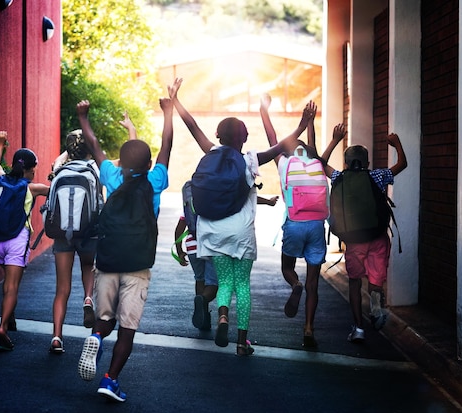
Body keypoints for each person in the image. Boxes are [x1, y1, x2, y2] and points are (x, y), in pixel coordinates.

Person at [170, 77, 312, 356]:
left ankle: (221, 315)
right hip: (241, 234)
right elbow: (282, 146)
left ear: (219, 136)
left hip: (212, 231)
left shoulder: (210, 151)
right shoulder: (250, 160)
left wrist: (176, 101)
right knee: (241, 285)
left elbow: (193, 126)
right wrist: (302, 125)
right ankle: (241, 342)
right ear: (244, 138)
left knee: (223, 282)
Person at [75, 96, 174, 402]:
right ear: (147, 165)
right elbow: (165, 147)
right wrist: (168, 113)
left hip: (108, 262)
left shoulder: (111, 176)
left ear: (120, 161)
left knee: (106, 320)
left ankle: (96, 337)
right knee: (127, 330)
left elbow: (94, 145)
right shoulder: (155, 181)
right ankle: (110, 379)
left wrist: (84, 117)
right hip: (138, 266)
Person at [260, 95, 337, 349]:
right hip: (317, 225)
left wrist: (264, 110)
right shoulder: (316, 162)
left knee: (287, 267)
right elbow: (313, 144)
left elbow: (272, 139)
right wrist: (311, 122)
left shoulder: (283, 162)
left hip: (294, 224)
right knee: (314, 283)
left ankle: (295, 284)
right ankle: (308, 329)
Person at [321, 130, 408, 342]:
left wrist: (335, 140)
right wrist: (396, 143)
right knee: (376, 282)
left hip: (353, 241)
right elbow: (402, 164)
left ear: (347, 163)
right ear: (367, 162)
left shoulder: (339, 177)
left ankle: (358, 328)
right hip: (377, 238)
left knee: (354, 282)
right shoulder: (377, 176)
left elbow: (321, 163)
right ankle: (376, 309)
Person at [173, 194, 278, 331]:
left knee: (200, 279)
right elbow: (247, 197)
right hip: (210, 245)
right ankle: (203, 300)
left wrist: (179, 250)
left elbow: (180, 227)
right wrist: (268, 202)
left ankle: (203, 314)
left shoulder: (193, 201)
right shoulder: (221, 197)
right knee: (214, 284)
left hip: (192, 247)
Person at [0, 131, 49, 351]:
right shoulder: (32, 188)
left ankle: (9, 315)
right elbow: (56, 191)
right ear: (31, 168)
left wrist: (0, 143)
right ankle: (3, 327)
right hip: (16, 240)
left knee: (8, 281)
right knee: (12, 287)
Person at [48, 129, 100, 354]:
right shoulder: (94, 168)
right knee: (88, 266)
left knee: (62, 289)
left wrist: (69, 150)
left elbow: (57, 160)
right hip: (89, 231)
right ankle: (88, 298)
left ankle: (57, 337)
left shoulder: (60, 169)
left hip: (62, 234)